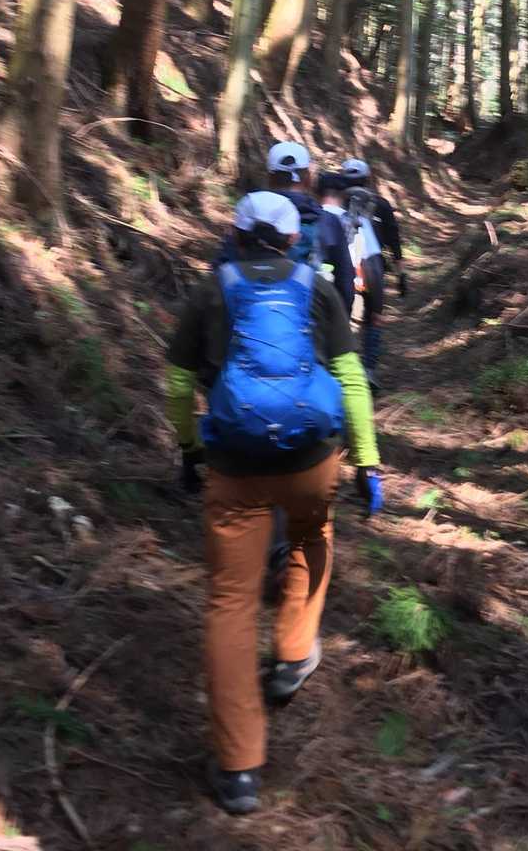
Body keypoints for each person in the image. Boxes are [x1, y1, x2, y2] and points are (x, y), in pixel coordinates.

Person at [167, 191, 383, 816]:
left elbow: (178, 382)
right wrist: (367, 461)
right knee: (312, 538)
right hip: (310, 462)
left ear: (235, 236)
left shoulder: (211, 290)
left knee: (231, 602)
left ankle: (238, 768)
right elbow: (351, 378)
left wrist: (188, 449)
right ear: (294, 240)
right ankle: (292, 655)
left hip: (234, 468)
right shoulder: (319, 290)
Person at [217, 142, 355, 317]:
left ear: (269, 177)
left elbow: (223, 268)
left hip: (247, 316)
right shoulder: (327, 221)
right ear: (308, 178)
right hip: (308, 319)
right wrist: (339, 321)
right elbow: (344, 278)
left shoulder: (248, 212)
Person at [339, 157, 407, 381]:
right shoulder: (381, 204)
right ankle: (368, 369)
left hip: (341, 265)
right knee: (374, 316)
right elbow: (394, 241)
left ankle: (341, 369)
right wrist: (401, 274)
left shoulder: (335, 203)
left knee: (340, 316)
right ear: (368, 179)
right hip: (372, 266)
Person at [317, 171, 385, 391]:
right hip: (349, 293)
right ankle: (360, 378)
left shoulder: (306, 216)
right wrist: (377, 306)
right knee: (344, 350)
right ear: (344, 195)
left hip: (310, 292)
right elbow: (371, 264)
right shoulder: (357, 222)